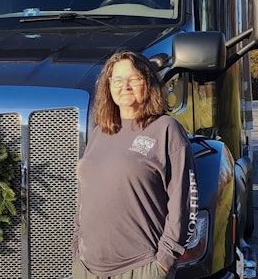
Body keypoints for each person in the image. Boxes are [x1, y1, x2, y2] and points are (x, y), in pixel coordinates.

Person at [72, 50, 198, 279]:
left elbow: (185, 204)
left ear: (148, 83)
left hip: (140, 268)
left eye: (134, 79)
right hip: (87, 268)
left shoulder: (166, 130)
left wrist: (163, 263)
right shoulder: (101, 131)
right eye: (117, 80)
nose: (125, 86)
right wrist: (76, 250)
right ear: (108, 87)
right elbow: (85, 196)